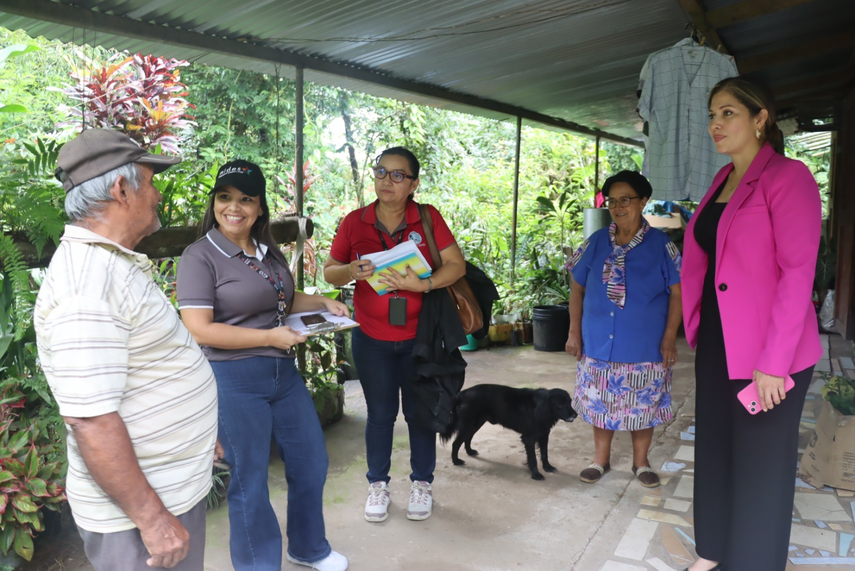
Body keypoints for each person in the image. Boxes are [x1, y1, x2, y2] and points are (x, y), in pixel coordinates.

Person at [33, 129, 218, 571]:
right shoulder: (87, 287)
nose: (156, 194)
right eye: (150, 181)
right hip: (141, 520)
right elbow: (91, 420)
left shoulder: (110, 262)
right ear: (121, 190)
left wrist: (193, 435)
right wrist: (152, 520)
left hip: (168, 488)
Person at [176, 160, 349, 571]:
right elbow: (199, 329)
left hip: (282, 376)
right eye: (225, 197)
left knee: (311, 461)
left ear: (259, 208)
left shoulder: (265, 249)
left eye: (246, 199)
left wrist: (322, 301)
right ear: (214, 202)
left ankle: (308, 547)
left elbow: (279, 298)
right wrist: (270, 337)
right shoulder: (200, 256)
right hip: (233, 380)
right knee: (250, 481)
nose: (234, 207)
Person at [681, 78, 822, 571]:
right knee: (716, 447)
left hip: (769, 349)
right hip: (720, 342)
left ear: (760, 117)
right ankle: (712, 550)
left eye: (728, 113)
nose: (716, 125)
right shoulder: (722, 179)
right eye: (712, 115)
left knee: (761, 464)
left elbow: (797, 273)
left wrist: (773, 363)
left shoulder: (789, 177)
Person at [323, 147, 466, 523]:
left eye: (398, 175)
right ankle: (378, 484)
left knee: (419, 414)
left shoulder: (428, 218)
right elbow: (330, 271)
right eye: (382, 172)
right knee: (380, 415)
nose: (387, 180)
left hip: (421, 338)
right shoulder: (355, 222)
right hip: (372, 340)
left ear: (414, 184)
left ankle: (422, 482)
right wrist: (352, 269)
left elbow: (456, 265)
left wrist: (426, 284)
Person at [565, 170, 682, 489]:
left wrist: (670, 338)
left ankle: (641, 462)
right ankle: (599, 459)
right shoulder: (596, 241)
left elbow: (678, 292)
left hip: (644, 346)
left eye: (625, 200)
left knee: (642, 406)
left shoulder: (661, 245)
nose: (618, 206)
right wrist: (574, 332)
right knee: (601, 404)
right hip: (599, 342)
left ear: (643, 201)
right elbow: (576, 287)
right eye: (612, 201)